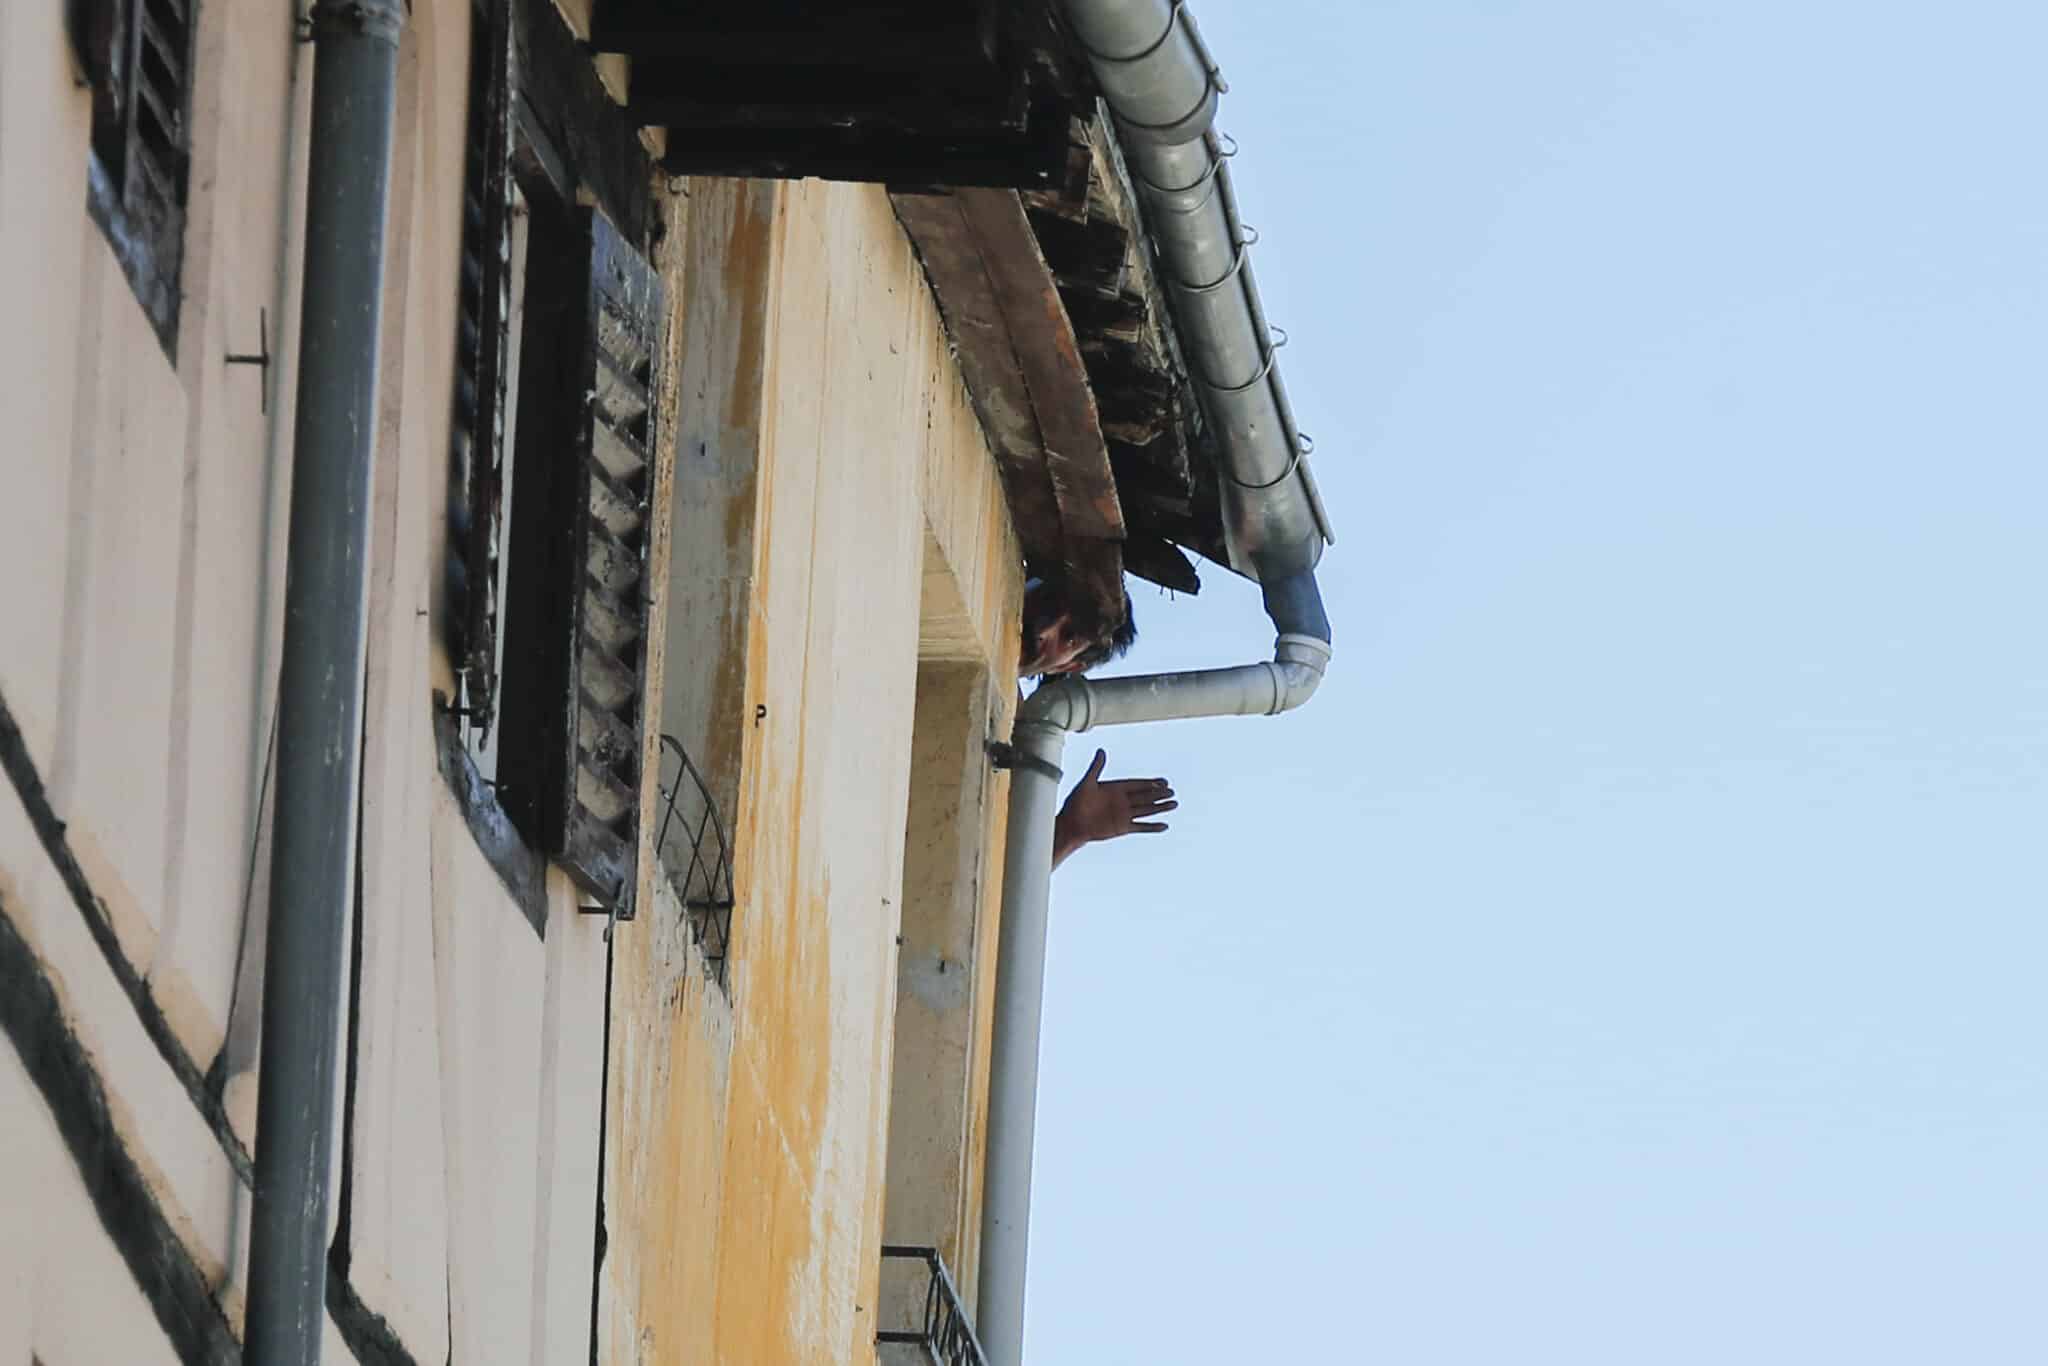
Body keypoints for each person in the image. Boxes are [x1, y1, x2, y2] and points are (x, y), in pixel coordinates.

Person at [1015, 574, 1176, 866]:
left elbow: (999, 883)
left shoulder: (1015, 736)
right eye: (1051, 606)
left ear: (1071, 665)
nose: (1046, 630)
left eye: (1069, 636)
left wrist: (1070, 831)